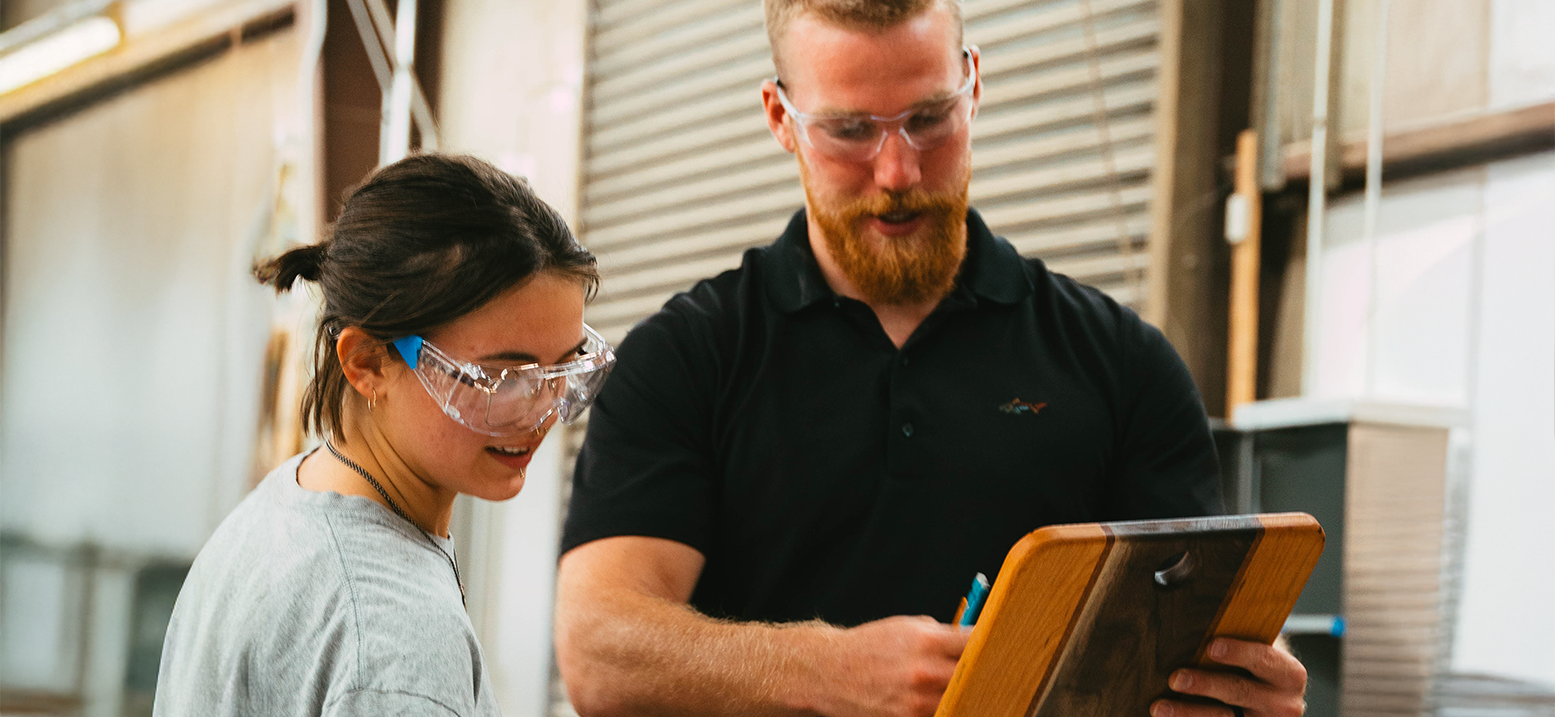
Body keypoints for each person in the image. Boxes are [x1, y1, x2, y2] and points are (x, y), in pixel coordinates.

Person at [553, 1, 1309, 716]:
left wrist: (1239, 676)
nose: (897, 172)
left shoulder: (1121, 363)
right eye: (849, 130)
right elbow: (598, 652)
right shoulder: (683, 359)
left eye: (928, 119)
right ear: (781, 118)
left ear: (972, 86)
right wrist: (826, 670)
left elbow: (1196, 624)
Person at [154, 154, 614, 716]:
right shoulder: (393, 638)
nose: (539, 411)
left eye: (563, 371)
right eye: (501, 378)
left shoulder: (277, 516)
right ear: (368, 361)